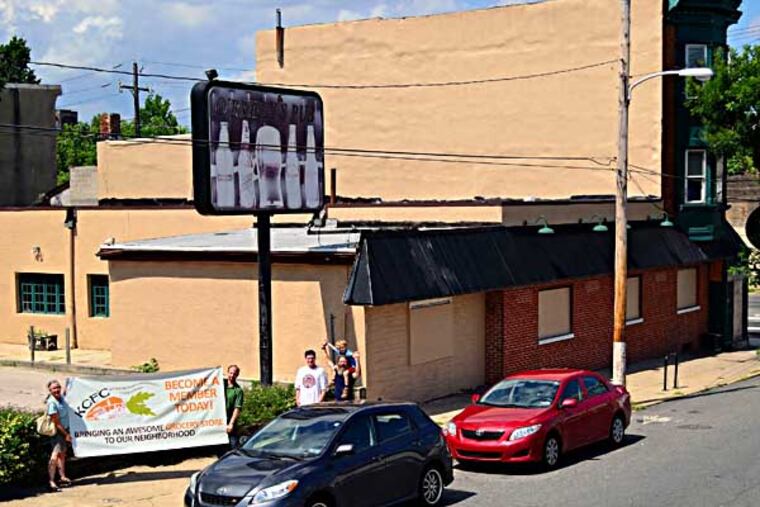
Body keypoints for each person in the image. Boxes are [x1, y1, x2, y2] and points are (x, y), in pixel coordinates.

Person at [46, 379, 72, 491]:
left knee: (62, 454)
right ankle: (51, 481)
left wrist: (69, 383)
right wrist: (66, 434)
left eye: (58, 387)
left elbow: (65, 393)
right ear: (50, 390)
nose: (57, 390)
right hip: (58, 432)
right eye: (54, 388)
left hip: (64, 431)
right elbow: (56, 422)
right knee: (55, 455)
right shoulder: (52, 403)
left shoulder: (61, 398)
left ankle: (62, 477)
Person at [224, 365, 244, 448]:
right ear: (227, 373)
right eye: (231, 373)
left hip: (230, 420)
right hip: (218, 420)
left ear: (237, 375)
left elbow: (237, 408)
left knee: (233, 445)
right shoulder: (220, 385)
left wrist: (231, 424)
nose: (232, 375)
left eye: (234, 374)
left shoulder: (238, 390)